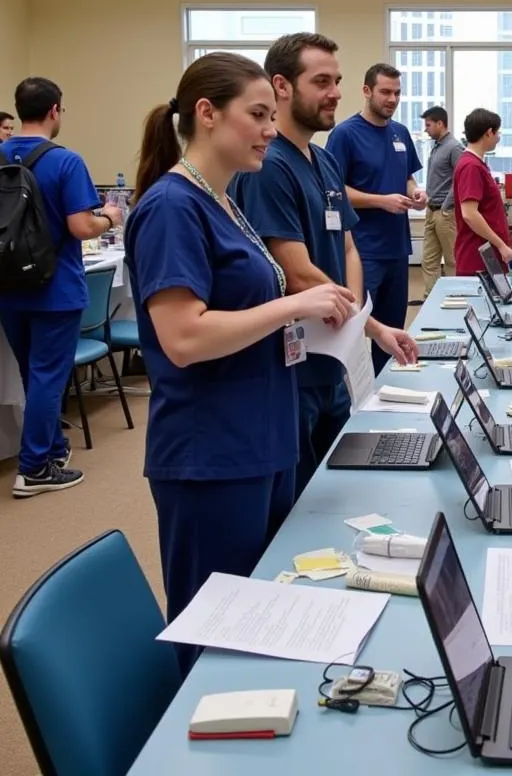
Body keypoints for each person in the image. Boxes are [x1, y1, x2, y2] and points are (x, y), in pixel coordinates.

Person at [125, 52, 350, 674]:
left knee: (261, 617)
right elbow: (185, 338)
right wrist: (293, 304)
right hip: (213, 453)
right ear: (206, 114)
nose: (270, 130)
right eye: (256, 115)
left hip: (262, 438)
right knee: (214, 633)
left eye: (271, 117)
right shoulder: (172, 207)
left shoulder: (225, 202)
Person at [230, 34, 418, 496]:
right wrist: (368, 326)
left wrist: (356, 323)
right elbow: (294, 271)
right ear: (282, 87)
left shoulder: (325, 159)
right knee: (301, 498)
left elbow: (349, 248)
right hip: (296, 363)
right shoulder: (269, 167)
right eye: (321, 81)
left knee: (338, 485)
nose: (334, 91)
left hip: (334, 351)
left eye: (336, 80)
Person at [0, 78, 121, 497]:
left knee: (32, 372)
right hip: (55, 287)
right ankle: (34, 469)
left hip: (8, 285)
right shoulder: (66, 162)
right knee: (50, 376)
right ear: (55, 110)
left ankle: (51, 447)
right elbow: (81, 226)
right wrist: (109, 216)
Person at [326, 64, 426, 374]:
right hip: (364, 250)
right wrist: (380, 201)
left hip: (397, 249)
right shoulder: (345, 134)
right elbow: (334, 188)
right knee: (357, 328)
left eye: (397, 93)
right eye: (385, 92)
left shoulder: (400, 133)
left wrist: (415, 191)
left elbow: (407, 175)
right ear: (367, 91)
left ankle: (388, 393)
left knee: (392, 331)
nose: (392, 99)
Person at [452, 108, 512, 277]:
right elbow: (469, 214)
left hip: (488, 257)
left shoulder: (477, 164)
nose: (499, 137)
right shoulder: (471, 166)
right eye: (498, 133)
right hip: (478, 259)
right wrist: (501, 245)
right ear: (489, 133)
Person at [420, 105, 463, 295]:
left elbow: (461, 179)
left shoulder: (454, 147)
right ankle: (431, 297)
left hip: (446, 213)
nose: (426, 129)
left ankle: (457, 296)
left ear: (440, 123)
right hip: (431, 210)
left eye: (428, 125)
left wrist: (447, 206)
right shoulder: (437, 147)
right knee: (429, 260)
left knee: (453, 259)